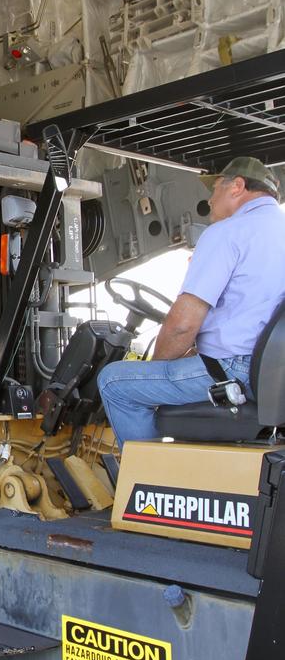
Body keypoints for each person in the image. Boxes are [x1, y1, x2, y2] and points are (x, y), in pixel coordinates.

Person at [98, 156, 285, 446]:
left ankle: (149, 484)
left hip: (236, 372)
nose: (210, 200)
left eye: (215, 189)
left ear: (237, 186)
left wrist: (155, 371)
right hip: (272, 374)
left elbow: (182, 326)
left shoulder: (227, 233)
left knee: (114, 382)